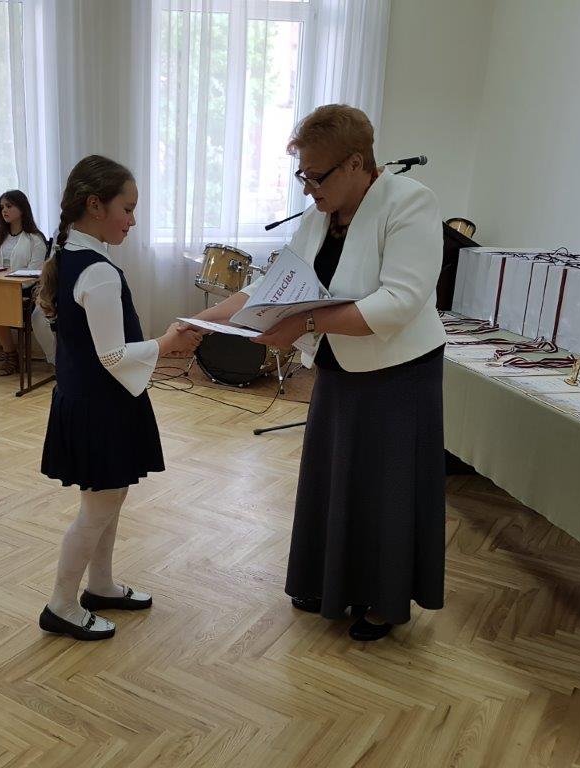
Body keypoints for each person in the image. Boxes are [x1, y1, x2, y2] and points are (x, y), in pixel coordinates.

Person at [192, 104, 447, 641]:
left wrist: (303, 323)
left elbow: (399, 302)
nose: (308, 189)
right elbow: (272, 285)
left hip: (398, 373)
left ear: (356, 163)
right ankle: (327, 582)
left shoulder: (410, 203)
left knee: (384, 488)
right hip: (340, 365)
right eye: (302, 175)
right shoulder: (320, 215)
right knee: (334, 479)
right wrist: (205, 320)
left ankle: (382, 599)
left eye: (317, 176)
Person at [36, 155, 202, 641]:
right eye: (127, 209)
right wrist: (168, 342)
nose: (132, 220)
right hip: (100, 409)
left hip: (86, 402)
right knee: (97, 509)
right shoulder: (98, 272)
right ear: (95, 205)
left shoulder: (72, 257)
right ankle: (61, 605)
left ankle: (101, 585)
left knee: (108, 499)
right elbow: (112, 356)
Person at [0, 190, 48, 375]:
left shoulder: (35, 239)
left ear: (22, 208)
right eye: (2, 207)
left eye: (9, 206)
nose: (4, 210)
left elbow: (35, 274)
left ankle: (11, 355)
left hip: (24, 289)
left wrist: (8, 282)